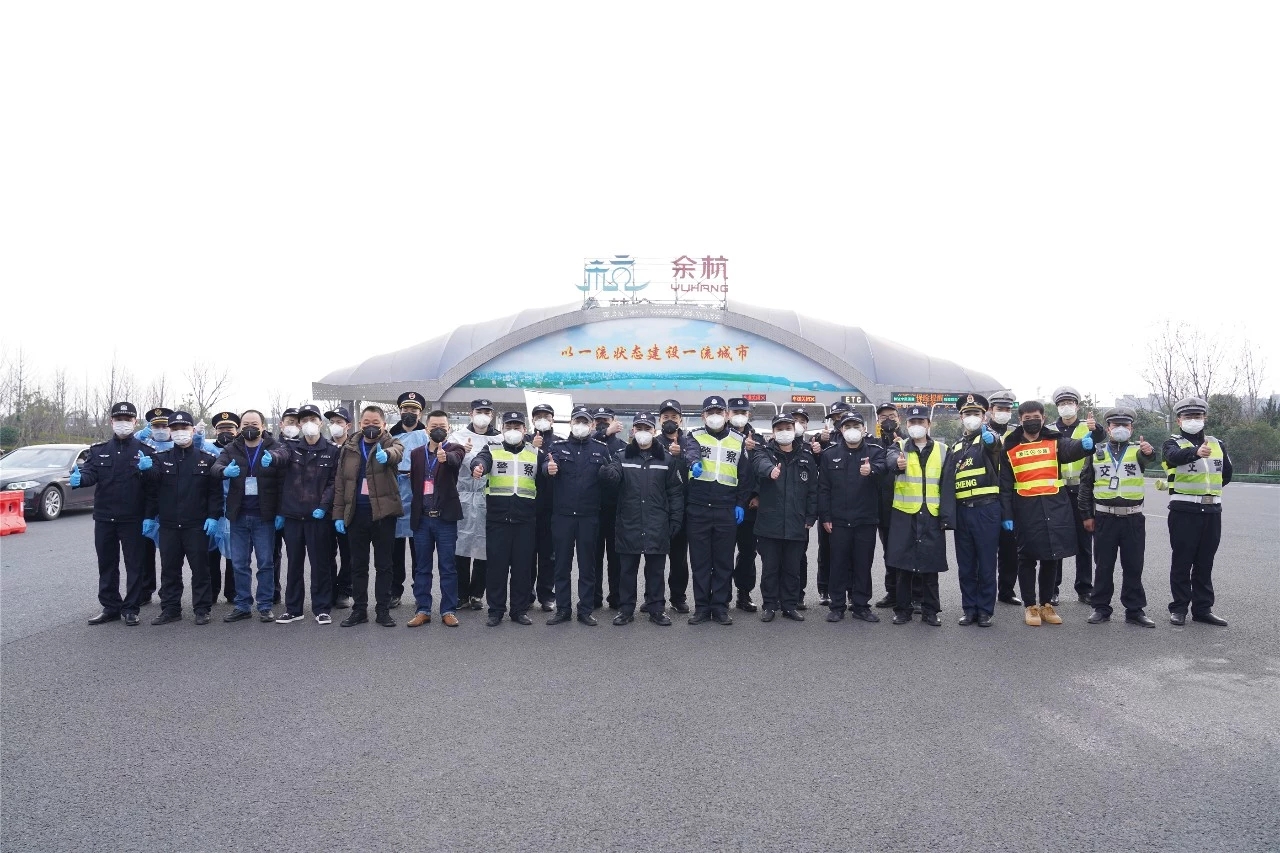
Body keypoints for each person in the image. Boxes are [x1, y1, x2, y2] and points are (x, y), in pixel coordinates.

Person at [1000, 400, 1093, 626]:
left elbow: (1071, 449)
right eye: (1027, 418)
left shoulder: (1054, 441)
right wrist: (1007, 515)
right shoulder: (1010, 447)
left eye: (1036, 418)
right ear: (1020, 420)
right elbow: (1004, 485)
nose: (1032, 421)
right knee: (1027, 558)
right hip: (1025, 508)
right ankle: (1030, 606)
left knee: (1052, 556)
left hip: (1054, 506)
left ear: (1043, 418)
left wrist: (1085, 445)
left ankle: (1046, 604)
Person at [71, 401, 155, 626]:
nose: (123, 423)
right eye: (119, 419)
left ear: (135, 422)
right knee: (107, 563)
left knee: (134, 565)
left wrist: (149, 514)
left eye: (127, 419)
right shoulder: (99, 450)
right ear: (111, 421)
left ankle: (131, 608)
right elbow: (90, 474)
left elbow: (153, 489)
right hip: (105, 517)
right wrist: (80, 479)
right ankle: (110, 607)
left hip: (133, 518)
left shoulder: (145, 451)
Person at [600, 412, 685, 625]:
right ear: (633, 431)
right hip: (629, 522)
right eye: (639, 428)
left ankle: (657, 609)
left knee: (656, 571)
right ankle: (626, 610)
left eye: (647, 428)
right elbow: (613, 477)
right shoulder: (621, 457)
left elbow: (675, 492)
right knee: (627, 571)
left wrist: (675, 519)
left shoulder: (666, 459)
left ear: (654, 431)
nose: (643, 432)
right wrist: (607, 473)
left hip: (657, 522)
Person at [140, 411, 223, 625]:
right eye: (175, 429)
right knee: (170, 570)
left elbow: (214, 493)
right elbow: (153, 490)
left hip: (196, 525)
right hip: (168, 525)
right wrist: (149, 516)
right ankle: (170, 609)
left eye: (184, 428)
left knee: (200, 569)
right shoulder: (160, 458)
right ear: (170, 431)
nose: (180, 433)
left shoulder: (207, 459)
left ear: (193, 430)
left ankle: (202, 609)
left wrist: (214, 517)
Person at [1079, 408, 1157, 627]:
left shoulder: (1138, 450)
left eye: (1125, 425)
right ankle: (1100, 608)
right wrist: (1086, 514)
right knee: (1103, 566)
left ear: (1131, 429)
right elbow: (1086, 485)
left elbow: (1149, 458)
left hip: (1133, 517)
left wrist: (1149, 451)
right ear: (1108, 428)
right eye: (1116, 425)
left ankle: (1135, 610)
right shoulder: (1096, 451)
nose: (1120, 429)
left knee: (1133, 565)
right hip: (1105, 517)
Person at [1161, 396, 1233, 626]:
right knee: (1182, 561)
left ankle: (1203, 609)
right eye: (1188, 416)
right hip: (1184, 510)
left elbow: (1226, 474)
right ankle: (1179, 608)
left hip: (1211, 510)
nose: (1193, 420)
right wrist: (1195, 453)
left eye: (1197, 416)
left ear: (1205, 418)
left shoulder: (1217, 444)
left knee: (1205, 562)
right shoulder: (1172, 443)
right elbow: (1172, 458)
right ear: (1179, 420)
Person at [331, 405, 405, 627]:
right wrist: (338, 514)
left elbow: (398, 453)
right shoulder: (349, 448)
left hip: (383, 515)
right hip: (356, 514)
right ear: (360, 424)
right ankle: (359, 610)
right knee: (358, 565)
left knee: (384, 565)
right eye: (366, 423)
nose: (370, 426)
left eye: (375, 423)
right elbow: (341, 483)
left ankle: (383, 610)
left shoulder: (391, 443)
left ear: (384, 425)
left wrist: (387, 456)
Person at [883, 406, 956, 626]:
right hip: (905, 514)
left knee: (930, 566)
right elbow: (890, 460)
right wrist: (897, 464)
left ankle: (930, 611)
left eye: (921, 422)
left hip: (931, 514)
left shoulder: (943, 450)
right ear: (906, 425)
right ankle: (902, 610)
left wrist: (946, 517)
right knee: (903, 566)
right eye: (912, 422)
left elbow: (947, 486)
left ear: (928, 424)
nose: (917, 426)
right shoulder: (899, 447)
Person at [683, 395, 751, 625]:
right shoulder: (694, 436)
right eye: (710, 412)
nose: (715, 416)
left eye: (719, 412)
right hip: (699, 508)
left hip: (726, 509)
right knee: (700, 562)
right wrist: (694, 463)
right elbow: (690, 452)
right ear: (703, 416)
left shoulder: (738, 440)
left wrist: (740, 504)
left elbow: (745, 476)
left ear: (726, 415)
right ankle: (702, 607)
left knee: (723, 562)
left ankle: (720, 607)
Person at [470, 412, 542, 627]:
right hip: (498, 519)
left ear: (525, 430)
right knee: (496, 567)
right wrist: (478, 467)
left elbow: (545, 476)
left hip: (525, 520)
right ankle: (496, 611)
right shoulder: (492, 449)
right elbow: (480, 460)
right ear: (502, 429)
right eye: (509, 426)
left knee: (522, 568)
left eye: (517, 427)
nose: (513, 430)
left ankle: (519, 610)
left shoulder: (534, 452)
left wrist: (550, 470)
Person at [543, 407, 611, 626]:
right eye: (577, 421)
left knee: (587, 566)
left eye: (585, 422)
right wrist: (548, 469)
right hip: (563, 516)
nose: (580, 425)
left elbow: (611, 474)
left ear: (592, 425)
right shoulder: (558, 447)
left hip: (588, 516)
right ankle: (563, 609)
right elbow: (546, 464)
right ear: (571, 424)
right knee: (561, 565)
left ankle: (585, 610)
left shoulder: (601, 449)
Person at [211, 409, 282, 623]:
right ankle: (242, 604)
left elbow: (284, 465)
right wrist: (224, 472)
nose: (250, 428)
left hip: (264, 516)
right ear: (240, 427)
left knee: (265, 563)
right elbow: (216, 467)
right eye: (246, 424)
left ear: (263, 426)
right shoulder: (232, 448)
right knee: (239, 563)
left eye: (254, 424)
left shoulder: (274, 447)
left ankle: (265, 605)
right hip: (239, 515)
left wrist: (274, 459)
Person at [272, 404, 339, 625]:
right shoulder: (291, 447)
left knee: (320, 564)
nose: (309, 423)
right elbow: (280, 457)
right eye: (304, 420)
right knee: (294, 564)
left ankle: (322, 608)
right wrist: (272, 457)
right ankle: (293, 609)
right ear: (299, 424)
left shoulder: (332, 450)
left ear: (320, 422)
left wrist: (324, 505)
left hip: (318, 517)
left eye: (313, 419)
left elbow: (334, 482)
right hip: (293, 516)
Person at [817, 411, 885, 623]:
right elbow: (824, 488)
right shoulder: (829, 454)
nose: (852, 430)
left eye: (856, 426)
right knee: (838, 563)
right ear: (841, 430)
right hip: (838, 520)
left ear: (864, 429)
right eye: (848, 427)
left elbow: (885, 469)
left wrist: (872, 470)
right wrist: (825, 516)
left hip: (865, 519)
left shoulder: (875, 452)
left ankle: (861, 606)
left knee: (863, 564)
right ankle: (837, 606)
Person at [751, 413, 818, 622]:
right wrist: (770, 470)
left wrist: (811, 516)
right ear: (773, 432)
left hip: (796, 521)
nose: (784, 432)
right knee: (770, 568)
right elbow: (759, 464)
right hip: (769, 522)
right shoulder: (764, 452)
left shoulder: (806, 455)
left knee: (792, 568)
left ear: (794, 429)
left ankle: (789, 605)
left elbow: (813, 490)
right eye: (779, 429)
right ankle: (769, 605)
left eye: (788, 428)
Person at [945, 394, 1004, 627]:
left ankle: (985, 610)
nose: (972, 417)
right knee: (966, 565)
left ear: (984, 416)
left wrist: (991, 438)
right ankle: (969, 609)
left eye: (976, 414)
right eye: (967, 414)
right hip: (963, 511)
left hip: (986, 509)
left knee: (987, 564)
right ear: (961, 418)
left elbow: (995, 445)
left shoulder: (989, 439)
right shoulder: (956, 446)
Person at [407, 410, 467, 627]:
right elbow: (415, 483)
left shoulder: (455, 449)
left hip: (445, 519)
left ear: (449, 428)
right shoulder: (416, 454)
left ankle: (448, 610)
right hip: (422, 519)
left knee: (448, 567)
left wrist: (445, 458)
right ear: (426, 429)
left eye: (442, 426)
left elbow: (456, 460)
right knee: (422, 567)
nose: (438, 430)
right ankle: (423, 609)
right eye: (434, 427)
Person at [1049, 386, 1107, 605]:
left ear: (1077, 406)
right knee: (1056, 541)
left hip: (1082, 492)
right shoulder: (1049, 430)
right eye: (1062, 403)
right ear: (1057, 407)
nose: (1066, 407)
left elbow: (1101, 436)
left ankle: (1084, 588)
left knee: (1084, 542)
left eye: (1070, 403)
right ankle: (1052, 588)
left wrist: (1096, 428)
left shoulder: (1087, 427)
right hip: (1057, 491)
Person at [452, 399, 502, 611]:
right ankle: (461, 593)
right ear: (471, 413)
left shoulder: (500, 439)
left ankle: (477, 593)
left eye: (487, 412)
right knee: (460, 547)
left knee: (484, 546)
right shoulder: (457, 436)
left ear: (492, 415)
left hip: (487, 497)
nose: (483, 415)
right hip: (462, 496)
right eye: (479, 411)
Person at [388, 391, 430, 609]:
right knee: (394, 551)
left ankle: (420, 592)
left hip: (418, 499)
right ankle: (394, 591)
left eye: (413, 409)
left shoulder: (426, 436)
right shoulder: (388, 436)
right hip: (395, 496)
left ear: (420, 413)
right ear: (400, 411)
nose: (409, 412)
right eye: (405, 409)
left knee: (419, 551)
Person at [656, 399, 695, 613]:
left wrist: (681, 456)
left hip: (683, 509)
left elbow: (695, 469)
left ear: (680, 420)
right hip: (658, 509)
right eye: (665, 417)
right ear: (659, 420)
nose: (669, 420)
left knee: (679, 558)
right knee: (655, 558)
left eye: (674, 417)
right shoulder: (653, 443)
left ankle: (678, 597)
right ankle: (653, 597)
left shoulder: (690, 443)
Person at [985, 390, 1022, 606]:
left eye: (1007, 409)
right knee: (986, 549)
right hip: (986, 495)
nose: (1004, 412)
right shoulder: (981, 432)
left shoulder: (1016, 434)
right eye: (1000, 409)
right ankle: (985, 591)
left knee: (1010, 550)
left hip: (1011, 496)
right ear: (991, 410)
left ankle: (1007, 591)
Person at [812, 401, 850, 607]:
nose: (838, 420)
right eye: (835, 417)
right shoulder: (826, 438)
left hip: (853, 504)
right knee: (826, 549)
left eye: (841, 416)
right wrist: (820, 444)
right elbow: (817, 467)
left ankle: (851, 591)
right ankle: (824, 588)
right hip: (829, 502)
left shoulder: (862, 437)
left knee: (852, 551)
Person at [590, 406, 627, 609]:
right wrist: (604, 433)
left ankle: (616, 597)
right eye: (598, 420)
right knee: (593, 557)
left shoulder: (622, 446)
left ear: (614, 420)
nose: (602, 423)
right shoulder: (590, 442)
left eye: (606, 420)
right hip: (594, 509)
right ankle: (594, 597)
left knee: (616, 558)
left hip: (616, 510)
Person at [727, 398, 762, 613]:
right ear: (728, 414)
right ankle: (722, 596)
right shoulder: (720, 436)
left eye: (743, 412)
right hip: (724, 503)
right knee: (722, 553)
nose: (739, 415)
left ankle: (744, 593)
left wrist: (757, 495)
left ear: (749, 414)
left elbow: (764, 468)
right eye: (735, 411)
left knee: (748, 553)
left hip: (749, 506)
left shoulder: (758, 439)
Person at [207, 411, 240, 603]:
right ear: (215, 430)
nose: (225, 432)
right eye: (221, 428)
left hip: (234, 506)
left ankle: (232, 592)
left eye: (230, 428)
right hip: (212, 507)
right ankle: (211, 592)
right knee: (210, 552)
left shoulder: (241, 448)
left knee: (234, 553)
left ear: (237, 430)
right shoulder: (207, 448)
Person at [872, 402, 903, 609]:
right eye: (883, 417)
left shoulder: (909, 440)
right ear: (878, 421)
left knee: (908, 551)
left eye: (892, 416)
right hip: (882, 508)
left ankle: (913, 595)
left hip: (906, 506)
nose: (888, 420)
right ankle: (892, 592)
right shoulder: (874, 443)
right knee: (889, 552)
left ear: (899, 418)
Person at [529, 403, 557, 611]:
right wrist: (532, 447)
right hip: (527, 506)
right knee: (527, 554)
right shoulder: (523, 441)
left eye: (546, 416)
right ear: (532, 420)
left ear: (552, 419)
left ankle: (547, 595)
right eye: (538, 416)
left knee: (549, 555)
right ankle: (526, 594)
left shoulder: (559, 442)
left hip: (551, 506)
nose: (542, 419)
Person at [325, 406, 354, 608]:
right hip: (326, 508)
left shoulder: (355, 447)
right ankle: (329, 590)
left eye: (339, 422)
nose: (335, 426)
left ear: (348, 426)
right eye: (332, 422)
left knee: (348, 553)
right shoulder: (324, 447)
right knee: (327, 553)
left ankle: (344, 590)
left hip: (348, 508)